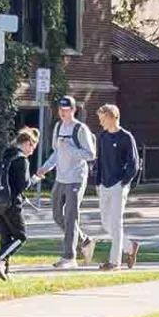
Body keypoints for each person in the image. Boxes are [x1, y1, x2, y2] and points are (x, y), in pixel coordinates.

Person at [32, 95, 97, 269]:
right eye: (60, 109)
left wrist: (69, 148)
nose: (62, 113)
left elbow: (90, 155)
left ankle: (69, 257)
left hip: (76, 178)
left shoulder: (80, 129)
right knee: (56, 215)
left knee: (70, 217)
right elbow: (57, 153)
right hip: (61, 178)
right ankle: (85, 240)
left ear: (73, 110)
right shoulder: (58, 127)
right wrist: (45, 167)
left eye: (66, 109)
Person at [92, 104, 142, 270]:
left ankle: (114, 262)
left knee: (116, 223)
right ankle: (130, 247)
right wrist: (97, 182)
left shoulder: (126, 137)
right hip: (104, 184)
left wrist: (124, 182)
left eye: (103, 119)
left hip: (119, 185)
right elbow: (99, 161)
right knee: (106, 223)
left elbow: (134, 163)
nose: (101, 123)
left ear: (113, 117)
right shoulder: (102, 137)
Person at [0, 127, 38, 280]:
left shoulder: (6, 155)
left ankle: (5, 271)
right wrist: (35, 178)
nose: (32, 151)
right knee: (20, 237)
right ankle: (0, 261)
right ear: (26, 143)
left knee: (6, 238)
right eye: (32, 146)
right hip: (12, 204)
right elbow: (24, 185)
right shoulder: (21, 160)